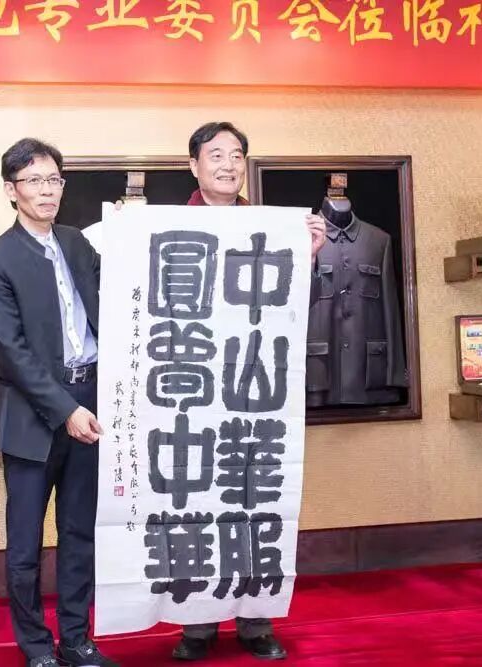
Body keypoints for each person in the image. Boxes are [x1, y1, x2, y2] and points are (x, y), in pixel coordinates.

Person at [171, 121, 328, 662]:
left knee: (251, 498)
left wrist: (306, 256)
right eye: (216, 154)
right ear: (193, 165)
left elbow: (294, 307)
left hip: (251, 386)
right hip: (192, 390)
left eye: (237, 155)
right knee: (194, 501)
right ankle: (196, 625)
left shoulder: (269, 226)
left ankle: (255, 620)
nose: (228, 164)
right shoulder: (167, 225)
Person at [0, 138, 118, 667]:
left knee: (80, 533)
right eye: (34, 180)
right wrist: (65, 410)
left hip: (90, 401)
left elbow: (123, 299)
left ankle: (76, 639)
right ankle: (36, 647)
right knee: (25, 544)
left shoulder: (78, 244)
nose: (47, 190)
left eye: (54, 179)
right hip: (35, 417)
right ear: (11, 190)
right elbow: (12, 353)